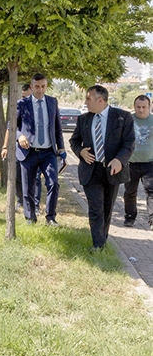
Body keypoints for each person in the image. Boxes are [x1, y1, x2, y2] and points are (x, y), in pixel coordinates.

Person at [70, 85, 135, 250]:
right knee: (96, 208)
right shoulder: (84, 119)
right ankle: (97, 245)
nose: (85, 102)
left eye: (88, 98)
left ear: (100, 100)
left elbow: (129, 144)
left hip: (112, 170)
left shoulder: (123, 117)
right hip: (91, 169)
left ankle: (102, 241)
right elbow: (74, 141)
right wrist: (81, 152)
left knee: (107, 208)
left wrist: (119, 160)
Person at [16, 73, 65, 226]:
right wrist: (19, 136)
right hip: (28, 151)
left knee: (53, 183)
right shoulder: (22, 104)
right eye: (37, 87)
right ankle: (30, 218)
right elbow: (12, 126)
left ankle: (50, 217)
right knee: (28, 187)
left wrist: (61, 147)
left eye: (43, 86)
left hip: (48, 152)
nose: (40, 90)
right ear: (31, 87)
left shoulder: (52, 102)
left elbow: (57, 127)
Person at [1, 83, 41, 210]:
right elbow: (10, 127)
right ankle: (20, 200)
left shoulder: (40, 108)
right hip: (21, 150)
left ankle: (35, 204)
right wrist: (5, 146)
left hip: (37, 150)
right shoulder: (19, 105)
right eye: (23, 97)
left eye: (27, 97)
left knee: (36, 178)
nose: (25, 100)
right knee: (18, 176)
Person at [123, 95, 153, 230]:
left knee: (151, 191)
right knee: (130, 192)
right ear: (134, 107)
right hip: (131, 163)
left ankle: (152, 219)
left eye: (144, 107)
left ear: (149, 107)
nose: (141, 110)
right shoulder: (128, 120)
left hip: (149, 163)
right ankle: (130, 217)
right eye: (138, 107)